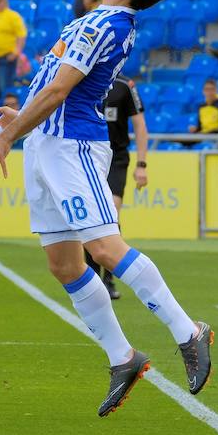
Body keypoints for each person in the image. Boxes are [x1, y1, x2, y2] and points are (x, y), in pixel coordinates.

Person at [0, 0, 213, 416]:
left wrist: (8, 135)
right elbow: (52, 84)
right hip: (45, 144)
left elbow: (63, 89)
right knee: (64, 265)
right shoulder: (92, 18)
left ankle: (189, 331)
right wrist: (22, 117)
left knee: (104, 248)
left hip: (74, 148)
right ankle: (123, 358)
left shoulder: (110, 22)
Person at [83, 74, 148, 300]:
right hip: (88, 156)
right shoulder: (84, 79)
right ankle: (91, 279)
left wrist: (142, 164)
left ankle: (108, 279)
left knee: (110, 213)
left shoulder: (125, 86)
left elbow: (140, 126)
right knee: (90, 216)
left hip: (116, 157)